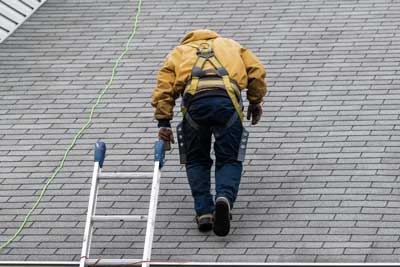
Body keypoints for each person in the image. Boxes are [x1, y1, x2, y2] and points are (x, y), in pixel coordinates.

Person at [151, 29, 266, 236]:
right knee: (229, 159)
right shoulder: (231, 45)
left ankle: (204, 211)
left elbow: (164, 88)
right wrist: (255, 101)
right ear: (213, 36)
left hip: (195, 106)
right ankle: (224, 198)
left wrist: (164, 121)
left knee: (196, 160)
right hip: (227, 104)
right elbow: (256, 71)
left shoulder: (179, 51)